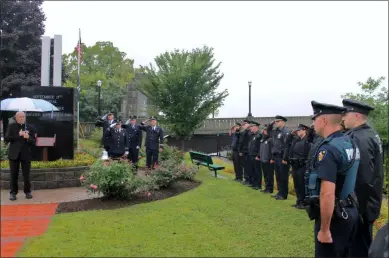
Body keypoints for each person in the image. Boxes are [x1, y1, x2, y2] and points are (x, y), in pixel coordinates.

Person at [305, 100, 360, 258]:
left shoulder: (329, 149)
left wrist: (324, 230)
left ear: (323, 120)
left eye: (314, 119)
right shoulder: (349, 142)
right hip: (350, 210)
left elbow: (327, 194)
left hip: (335, 217)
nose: (313, 123)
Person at [342, 99, 384, 257]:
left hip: (361, 205)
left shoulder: (360, 138)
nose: (343, 118)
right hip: (367, 203)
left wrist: (354, 208)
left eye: (346, 114)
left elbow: (363, 177)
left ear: (357, 116)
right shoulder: (369, 133)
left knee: (358, 248)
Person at [4, 111, 36, 201]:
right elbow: (6, 139)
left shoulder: (29, 127)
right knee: (13, 175)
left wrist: (28, 137)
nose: (22, 118)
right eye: (20, 116)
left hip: (26, 155)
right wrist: (18, 135)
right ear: (16, 118)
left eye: (23, 116)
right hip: (14, 155)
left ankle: (28, 192)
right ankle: (13, 193)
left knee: (26, 175)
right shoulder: (11, 126)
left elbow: (34, 142)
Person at [285, 124, 311, 209]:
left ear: (304, 130)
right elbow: (287, 142)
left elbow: (308, 155)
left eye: (299, 130)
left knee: (302, 184)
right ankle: (298, 201)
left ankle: (303, 202)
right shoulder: (296, 141)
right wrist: (291, 134)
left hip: (302, 166)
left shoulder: (307, 141)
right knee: (297, 185)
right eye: (297, 130)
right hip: (295, 165)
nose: (298, 132)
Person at [267, 115, 291, 200]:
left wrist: (285, 158)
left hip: (282, 157)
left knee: (283, 176)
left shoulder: (286, 131)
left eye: (278, 121)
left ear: (283, 121)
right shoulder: (276, 131)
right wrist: (271, 124)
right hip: (276, 156)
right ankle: (279, 192)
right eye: (275, 121)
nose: (276, 123)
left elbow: (287, 146)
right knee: (278, 176)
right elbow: (268, 131)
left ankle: (283, 194)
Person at [259, 125, 274, 193]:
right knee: (265, 175)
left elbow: (272, 150)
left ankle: (270, 189)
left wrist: (271, 158)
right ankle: (266, 187)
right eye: (264, 130)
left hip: (268, 160)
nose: (264, 132)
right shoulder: (263, 139)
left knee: (269, 175)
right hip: (263, 159)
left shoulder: (271, 139)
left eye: (265, 131)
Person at [247, 121, 262, 190]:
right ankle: (254, 183)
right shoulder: (253, 135)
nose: (251, 129)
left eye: (252, 127)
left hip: (256, 156)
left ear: (256, 127)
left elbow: (260, 147)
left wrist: (258, 155)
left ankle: (258, 185)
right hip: (251, 155)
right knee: (252, 170)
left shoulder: (259, 134)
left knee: (257, 171)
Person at [238, 119, 253, 186]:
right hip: (244, 151)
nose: (244, 125)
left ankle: (249, 180)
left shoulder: (250, 131)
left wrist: (247, 129)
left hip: (248, 151)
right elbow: (241, 140)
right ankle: (246, 179)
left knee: (249, 167)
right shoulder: (244, 132)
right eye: (243, 124)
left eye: (245, 124)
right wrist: (240, 150)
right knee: (245, 167)